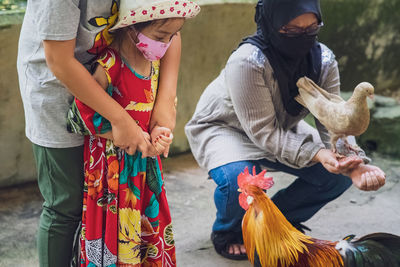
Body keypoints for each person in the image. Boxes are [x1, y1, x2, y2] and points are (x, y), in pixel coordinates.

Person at [185, 0, 386, 261]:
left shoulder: (323, 59)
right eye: (291, 31)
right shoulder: (247, 62)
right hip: (226, 128)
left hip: (280, 126)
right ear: (270, 24)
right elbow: (264, 133)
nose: (302, 38)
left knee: (336, 175)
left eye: (311, 29)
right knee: (240, 178)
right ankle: (229, 232)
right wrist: (317, 153)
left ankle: (276, 222)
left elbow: (335, 118)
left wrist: (352, 162)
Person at [16, 0, 196, 266]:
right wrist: (120, 121)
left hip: (124, 81)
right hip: (57, 90)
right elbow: (59, 60)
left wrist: (165, 100)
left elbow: (170, 18)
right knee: (65, 206)